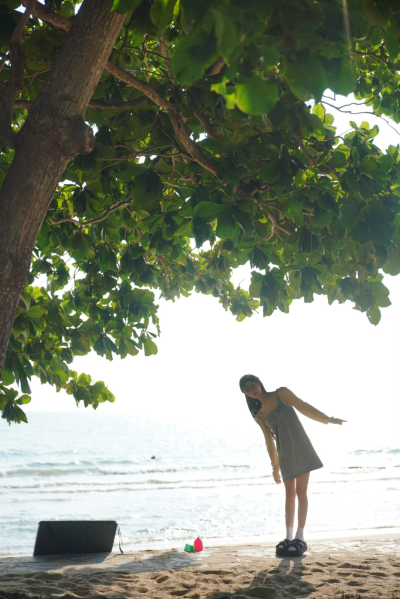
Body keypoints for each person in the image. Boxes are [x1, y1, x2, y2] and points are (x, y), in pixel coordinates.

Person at [239, 374, 346, 557]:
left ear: (259, 383)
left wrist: (328, 419)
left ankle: (300, 537)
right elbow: (269, 441)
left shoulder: (281, 394)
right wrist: (275, 467)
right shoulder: (259, 414)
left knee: (301, 492)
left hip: (301, 447)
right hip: (285, 453)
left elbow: (304, 407)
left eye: (252, 385)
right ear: (245, 394)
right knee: (289, 494)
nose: (252, 390)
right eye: (247, 390)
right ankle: (288, 537)